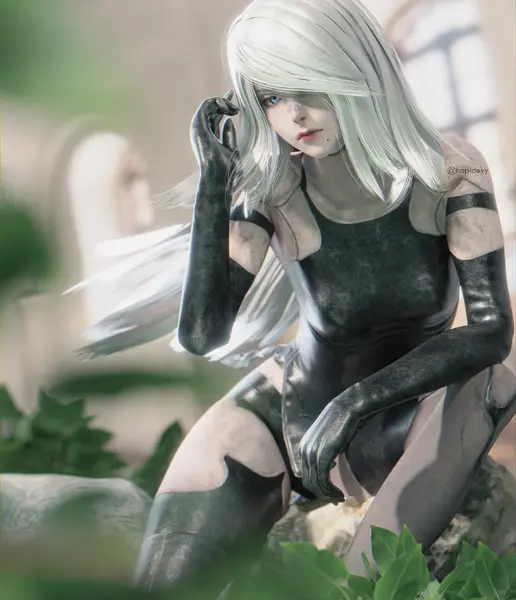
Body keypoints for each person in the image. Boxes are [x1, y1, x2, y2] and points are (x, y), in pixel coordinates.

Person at [71, 0, 515, 595]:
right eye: (273, 97)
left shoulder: (450, 170)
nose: (296, 114)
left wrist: (352, 405)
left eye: (309, 86)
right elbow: (203, 334)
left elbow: (490, 329)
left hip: (406, 417)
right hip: (289, 411)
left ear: (357, 68)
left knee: (494, 381)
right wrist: (214, 184)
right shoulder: (273, 189)